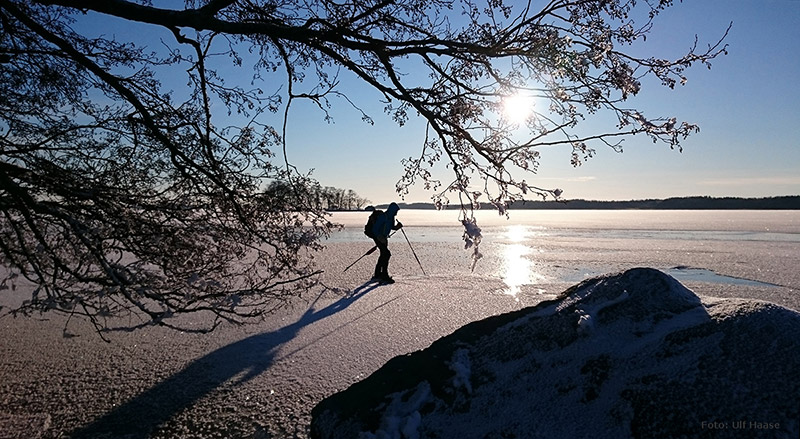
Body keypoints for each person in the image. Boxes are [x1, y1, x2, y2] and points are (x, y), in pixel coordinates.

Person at [371, 202, 403, 284]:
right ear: (392, 210)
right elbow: (375, 229)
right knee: (387, 254)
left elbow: (392, 227)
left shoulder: (391, 217)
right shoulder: (383, 217)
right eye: (396, 211)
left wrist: (397, 227)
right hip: (378, 238)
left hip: (384, 238)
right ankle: (384, 275)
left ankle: (378, 274)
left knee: (383, 254)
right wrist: (379, 237)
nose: (396, 213)